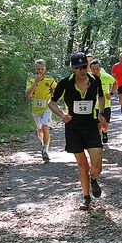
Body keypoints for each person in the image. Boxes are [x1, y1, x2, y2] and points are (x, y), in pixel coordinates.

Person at [48, 52, 107, 210]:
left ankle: (93, 179)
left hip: (91, 126)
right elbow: (51, 102)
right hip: (73, 127)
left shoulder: (95, 80)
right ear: (72, 67)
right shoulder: (65, 83)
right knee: (83, 166)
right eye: (78, 67)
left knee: (97, 166)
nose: (82, 70)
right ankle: (86, 197)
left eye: (84, 66)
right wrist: (62, 114)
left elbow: (101, 97)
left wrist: (100, 113)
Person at [25, 59, 57, 161]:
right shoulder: (31, 81)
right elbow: (27, 95)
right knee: (40, 130)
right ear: (35, 69)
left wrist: (54, 100)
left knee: (45, 128)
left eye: (42, 69)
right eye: (38, 69)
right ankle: (43, 143)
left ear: (45, 69)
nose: (40, 71)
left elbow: (58, 90)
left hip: (47, 107)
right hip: (36, 109)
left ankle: (45, 151)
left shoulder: (50, 80)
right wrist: (36, 82)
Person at [87, 55, 116, 143]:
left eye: (97, 69)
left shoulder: (106, 77)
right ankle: (98, 138)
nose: (95, 71)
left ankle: (105, 133)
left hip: (105, 104)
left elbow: (115, 83)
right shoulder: (87, 78)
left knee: (105, 123)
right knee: (96, 123)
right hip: (93, 106)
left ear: (100, 68)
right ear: (90, 69)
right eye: (93, 69)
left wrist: (111, 93)